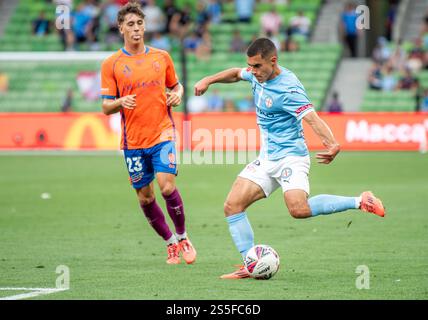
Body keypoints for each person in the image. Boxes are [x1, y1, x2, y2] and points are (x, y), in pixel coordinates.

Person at [194, 38, 385, 279]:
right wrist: (208, 80)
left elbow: (312, 118)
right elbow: (235, 73)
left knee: (299, 209)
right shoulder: (256, 74)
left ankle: (361, 200)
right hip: (267, 159)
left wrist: (332, 143)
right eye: (250, 66)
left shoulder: (289, 88)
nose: (252, 71)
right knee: (232, 206)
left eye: (257, 66)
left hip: (291, 157)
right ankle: (250, 263)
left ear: (273, 61)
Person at [100, 2, 196, 265]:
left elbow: (177, 86)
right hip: (133, 141)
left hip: (162, 133)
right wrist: (121, 102)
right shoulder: (111, 64)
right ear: (121, 28)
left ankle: (183, 236)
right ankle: (170, 243)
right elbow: (106, 106)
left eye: (139, 23)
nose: (136, 29)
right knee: (146, 196)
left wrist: (176, 95)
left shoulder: (161, 57)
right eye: (130, 24)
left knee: (166, 186)